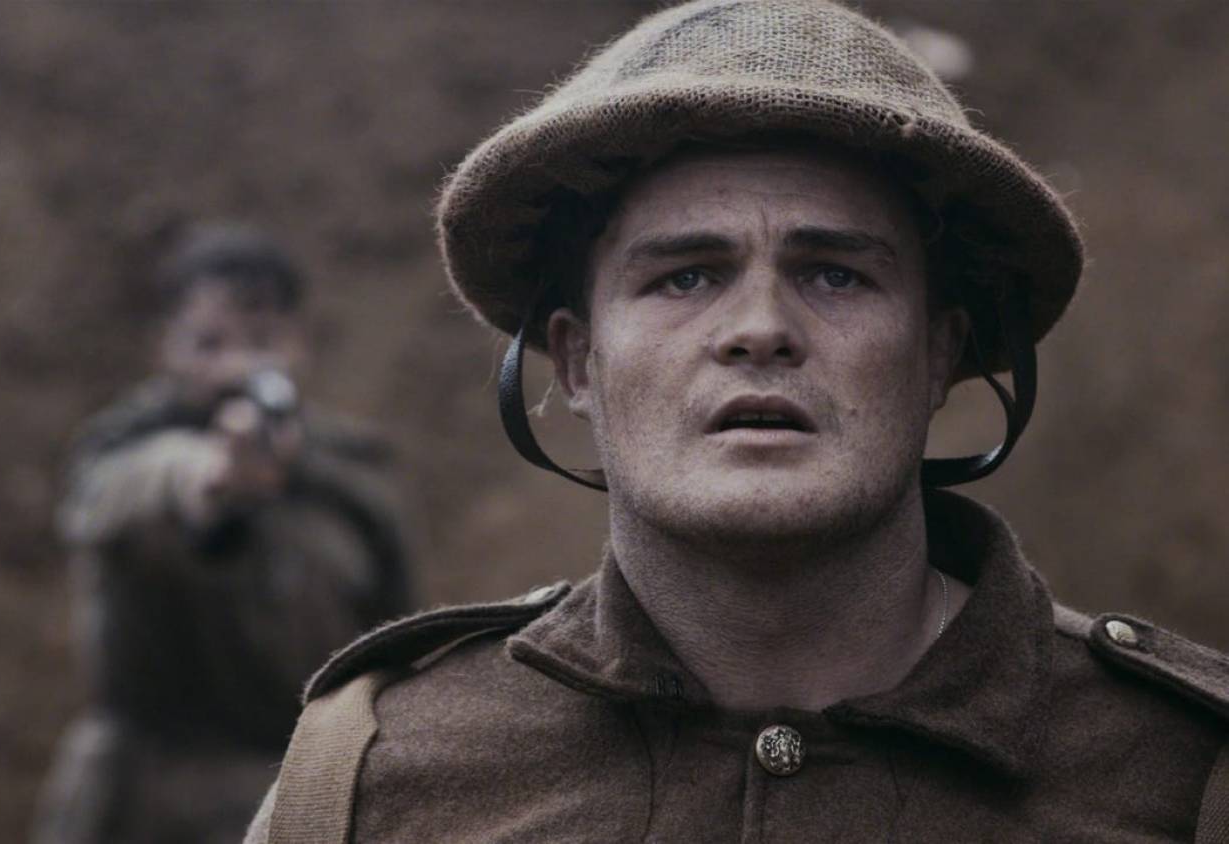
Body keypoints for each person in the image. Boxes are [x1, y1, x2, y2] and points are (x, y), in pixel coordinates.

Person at [248, 1, 1229, 841]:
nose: (760, 328)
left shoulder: (1183, 774)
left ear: (939, 352)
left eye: (835, 274)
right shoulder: (374, 775)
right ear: (580, 360)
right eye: (686, 276)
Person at [33, 221, 412, 843]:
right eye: (209, 343)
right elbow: (125, 492)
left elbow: (397, 633)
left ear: (298, 344)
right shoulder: (121, 444)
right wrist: (211, 482)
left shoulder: (351, 472)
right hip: (141, 799)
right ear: (166, 347)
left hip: (299, 785)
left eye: (260, 341)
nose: (236, 366)